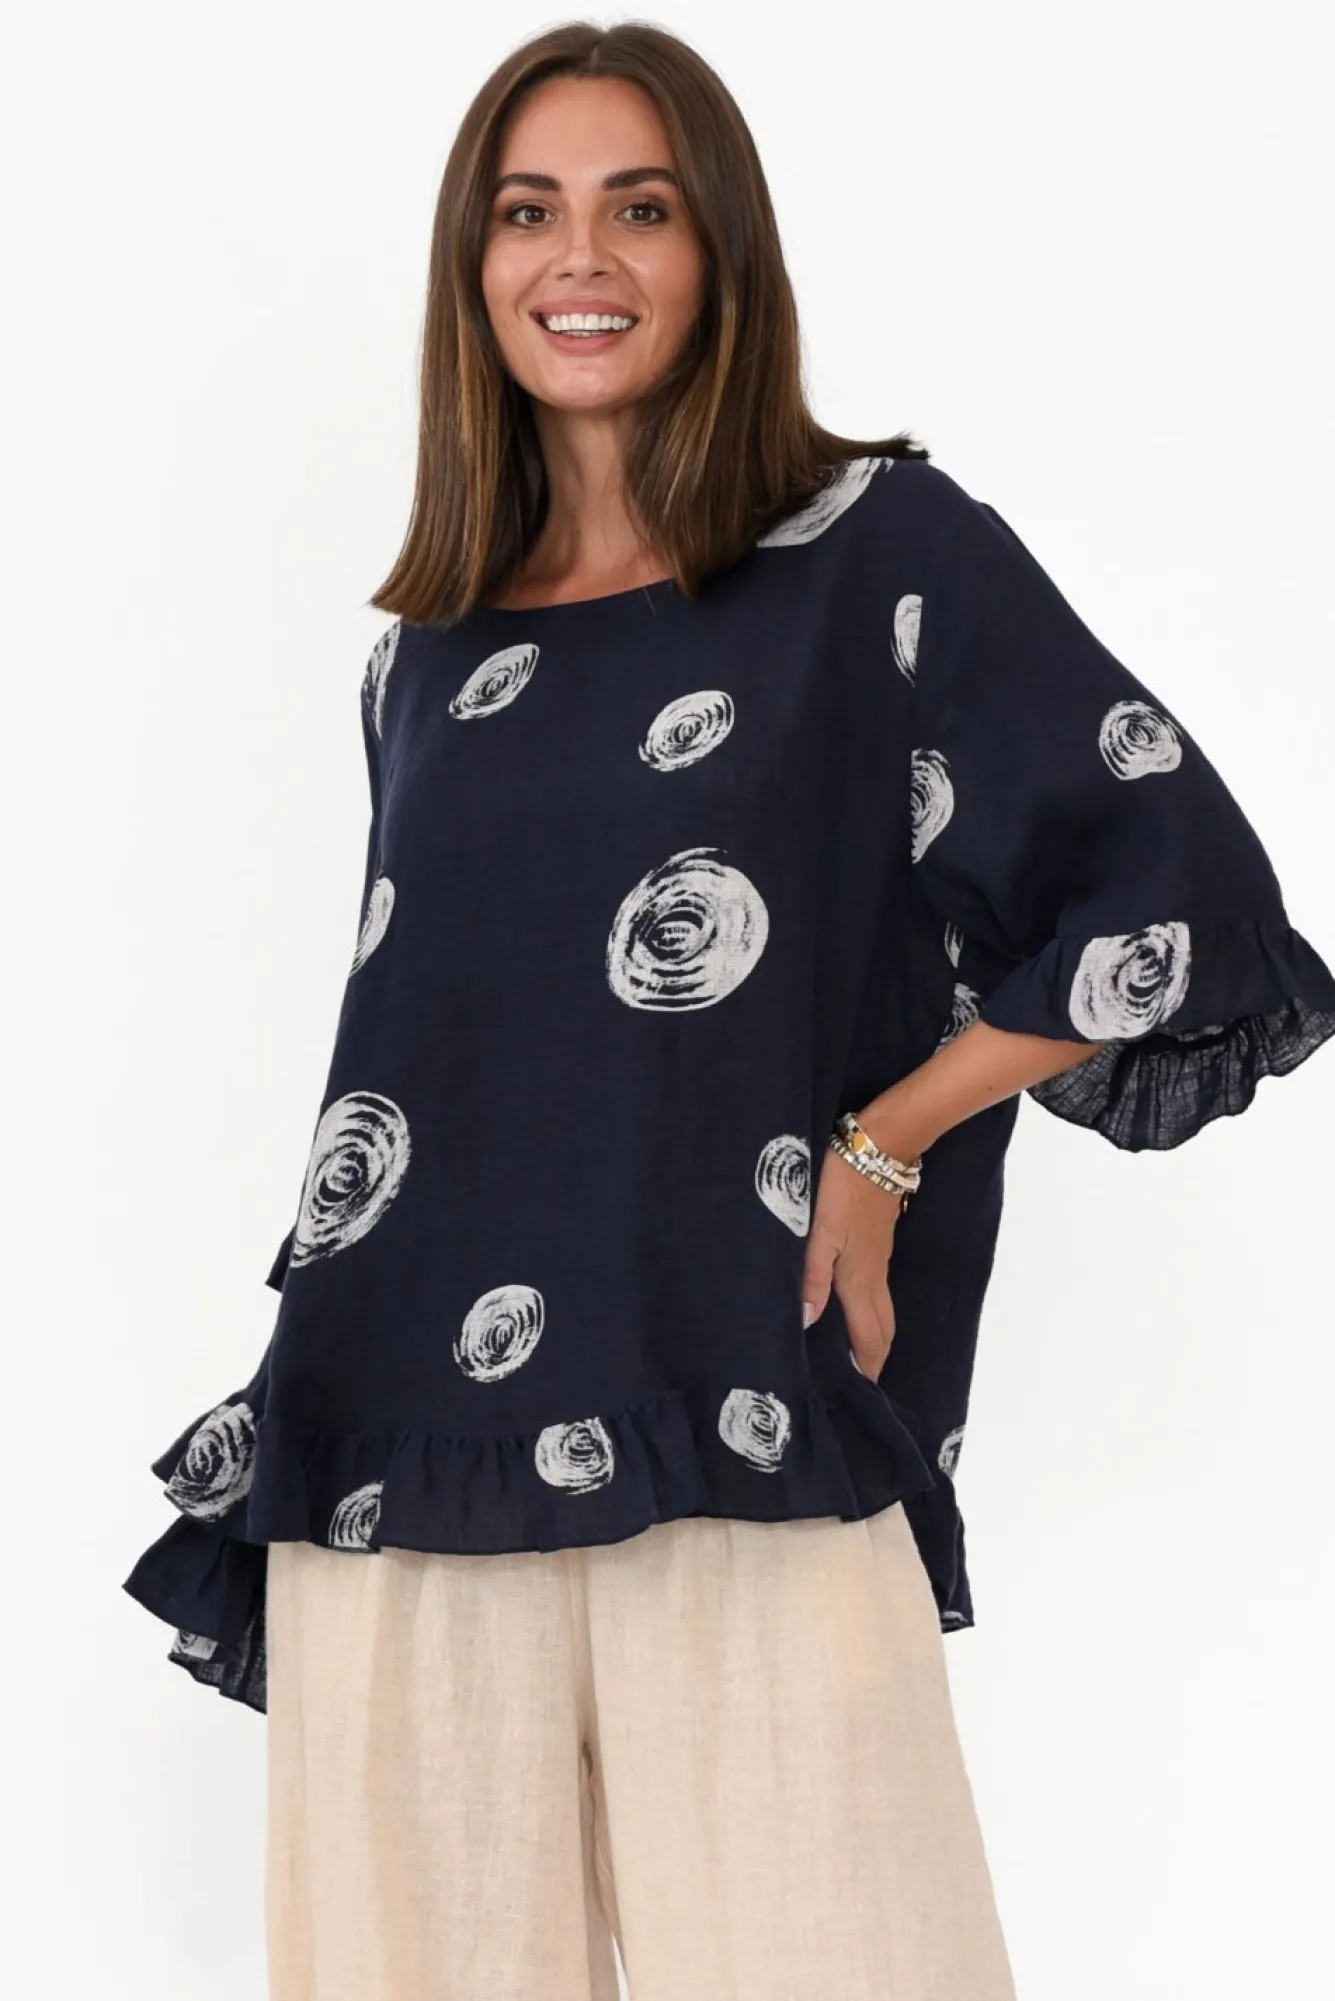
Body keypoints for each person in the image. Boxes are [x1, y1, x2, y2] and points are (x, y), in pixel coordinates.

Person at [122, 19, 1335, 2001]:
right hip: (394, 1441)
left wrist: (887, 1139)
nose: (577, 259)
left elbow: (1180, 895)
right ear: (471, 264)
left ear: (719, 252)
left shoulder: (879, 560)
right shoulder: (426, 653)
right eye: (527, 213)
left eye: (639, 208)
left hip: (739, 1399)